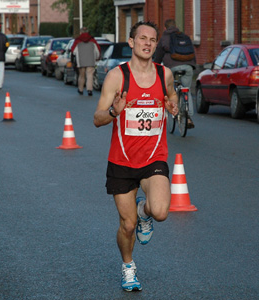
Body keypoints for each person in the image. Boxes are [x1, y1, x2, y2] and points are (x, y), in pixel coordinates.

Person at [93, 21, 178, 292]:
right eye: (142, 38)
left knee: (161, 212)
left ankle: (145, 211)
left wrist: (173, 105)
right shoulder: (118, 77)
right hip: (121, 160)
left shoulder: (164, 74)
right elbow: (97, 118)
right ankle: (128, 266)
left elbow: (172, 96)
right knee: (127, 226)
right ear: (131, 42)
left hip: (154, 156)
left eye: (152, 40)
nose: (147, 43)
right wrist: (115, 112)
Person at [154, 19, 196, 128]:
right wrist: (192, 66)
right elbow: (192, 52)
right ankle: (188, 117)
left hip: (172, 67)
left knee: (170, 89)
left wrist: (155, 67)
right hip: (188, 67)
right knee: (187, 89)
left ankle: (174, 108)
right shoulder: (183, 36)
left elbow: (158, 56)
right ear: (176, 26)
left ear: (165, 28)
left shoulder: (164, 38)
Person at [71, 27, 100, 96]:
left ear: (81, 32)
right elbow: (97, 50)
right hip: (91, 61)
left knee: (81, 75)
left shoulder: (77, 40)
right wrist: (96, 57)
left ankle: (80, 89)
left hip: (81, 61)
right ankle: (89, 90)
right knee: (90, 75)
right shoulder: (92, 40)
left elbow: (73, 51)